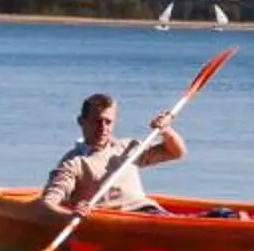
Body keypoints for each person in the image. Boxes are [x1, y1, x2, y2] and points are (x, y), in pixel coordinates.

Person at [38, 91, 187, 219]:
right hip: (120, 220)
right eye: (97, 121)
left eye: (108, 122)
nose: (103, 128)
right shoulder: (74, 162)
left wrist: (166, 131)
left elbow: (176, 152)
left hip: (150, 212)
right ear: (81, 121)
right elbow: (47, 203)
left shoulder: (126, 148)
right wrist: (71, 214)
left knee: (211, 214)